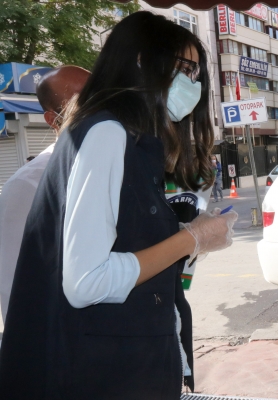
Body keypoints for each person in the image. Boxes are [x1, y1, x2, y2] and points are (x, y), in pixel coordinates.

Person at [0, 11, 238, 399]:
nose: (191, 84)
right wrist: (192, 239)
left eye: (195, 74)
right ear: (142, 63)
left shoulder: (124, 137)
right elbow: (86, 282)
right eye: (183, 68)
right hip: (98, 372)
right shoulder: (107, 133)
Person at [0, 65, 90, 323]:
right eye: (81, 103)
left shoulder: (123, 165)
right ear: (53, 120)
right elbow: (14, 288)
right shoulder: (28, 184)